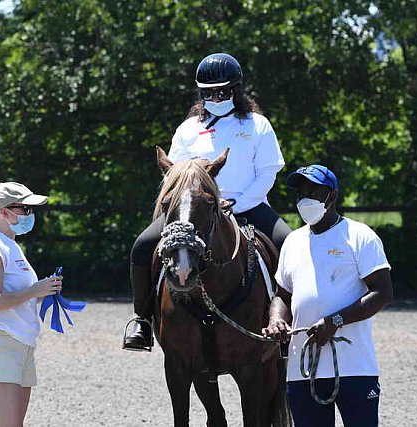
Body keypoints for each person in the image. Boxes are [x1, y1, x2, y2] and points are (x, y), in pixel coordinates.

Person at [123, 52, 292, 351]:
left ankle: (288, 321)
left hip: (249, 206)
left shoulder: (258, 124)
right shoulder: (188, 129)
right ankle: (143, 320)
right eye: (208, 92)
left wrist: (235, 206)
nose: (215, 97)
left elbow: (268, 172)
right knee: (142, 246)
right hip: (192, 211)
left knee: (291, 245)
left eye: (222, 91)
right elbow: (174, 173)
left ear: (236, 90)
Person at [262, 165, 393, 427]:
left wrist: (336, 321)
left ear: (332, 196)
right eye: (301, 192)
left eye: (313, 191)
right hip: (303, 369)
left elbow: (382, 292)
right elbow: (282, 295)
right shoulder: (293, 242)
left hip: (354, 367)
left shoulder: (360, 236)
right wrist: (276, 319)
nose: (305, 198)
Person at [0, 182, 63, 426]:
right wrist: (35, 289)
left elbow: (19, 296)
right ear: (4, 212)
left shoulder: (11, 247)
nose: (29, 215)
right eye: (25, 209)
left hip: (21, 345)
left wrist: (45, 291)